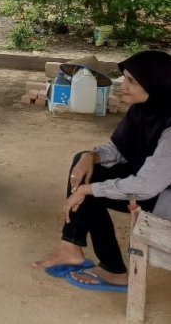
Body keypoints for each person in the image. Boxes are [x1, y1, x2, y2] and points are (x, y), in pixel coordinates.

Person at [34, 50, 171, 292]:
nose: (123, 86)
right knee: (86, 165)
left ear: (156, 84)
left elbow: (147, 185)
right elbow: (118, 148)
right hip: (151, 184)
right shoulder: (147, 108)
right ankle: (72, 247)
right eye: (124, 78)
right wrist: (91, 156)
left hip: (164, 198)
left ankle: (112, 270)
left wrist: (88, 189)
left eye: (132, 81)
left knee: (90, 188)